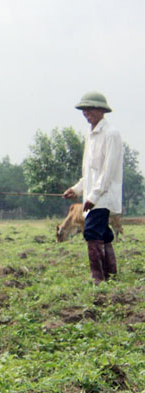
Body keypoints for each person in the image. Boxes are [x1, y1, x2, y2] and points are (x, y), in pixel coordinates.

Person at [62, 92, 124, 284]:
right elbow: (89, 173)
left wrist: (94, 196)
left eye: (90, 109)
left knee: (91, 232)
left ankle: (97, 277)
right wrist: (77, 190)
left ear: (101, 110)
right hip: (93, 195)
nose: (86, 113)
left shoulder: (111, 134)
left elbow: (108, 171)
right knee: (103, 233)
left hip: (104, 196)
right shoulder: (90, 135)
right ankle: (111, 275)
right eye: (84, 110)